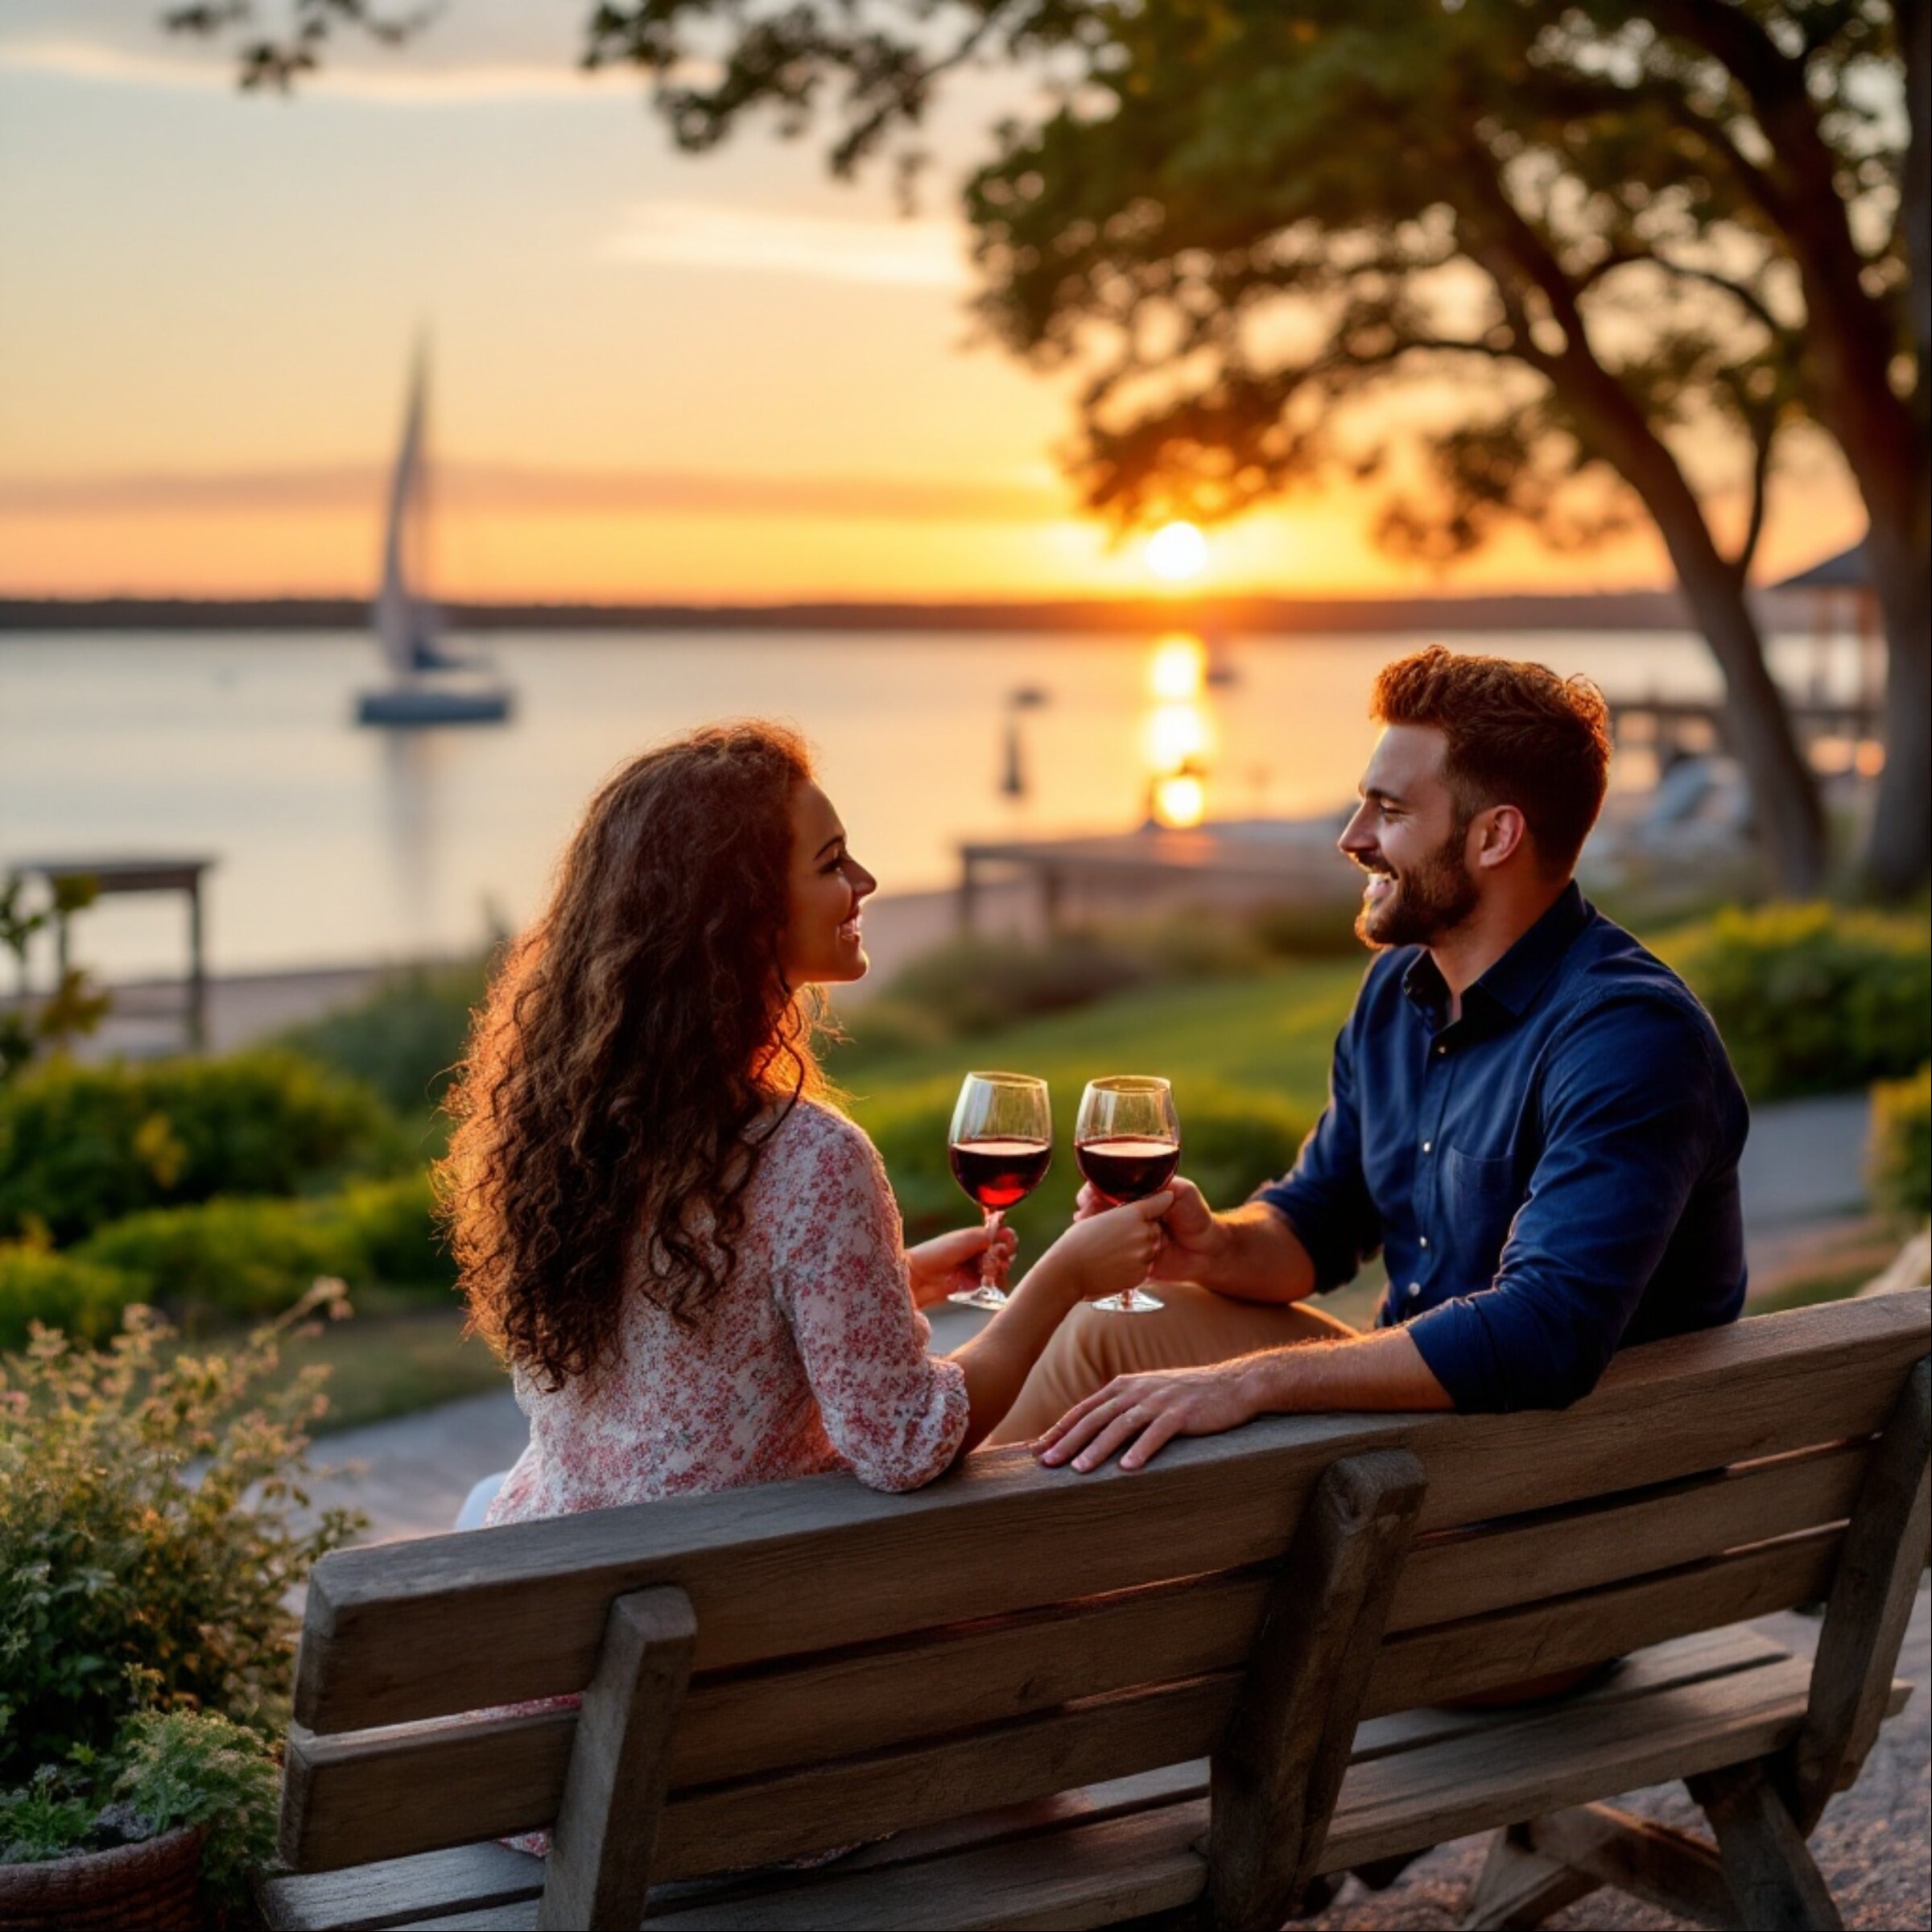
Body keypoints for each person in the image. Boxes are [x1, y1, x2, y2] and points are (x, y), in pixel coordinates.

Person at [1005, 646, 1749, 1473]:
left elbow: (1548, 1332)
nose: (1352, 838)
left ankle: (928, 1580)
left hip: (1549, 1479)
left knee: (1159, 1387)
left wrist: (1249, 1383)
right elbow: (1320, 1217)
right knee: (1110, 1326)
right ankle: (948, 1577)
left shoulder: (1628, 1038)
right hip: (1434, 1453)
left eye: (1389, 812)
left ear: (1496, 835)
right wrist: (1214, 1245)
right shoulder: (1400, 990)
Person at [440, 720, 1168, 1532]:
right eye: (831, 864)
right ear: (742, 913)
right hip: (723, 1600)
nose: (866, 880)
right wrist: (1064, 1278)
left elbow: (685, 1350)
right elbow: (904, 1444)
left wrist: (894, 1282)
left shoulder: (580, 1125)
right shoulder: (809, 1156)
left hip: (559, 1563)